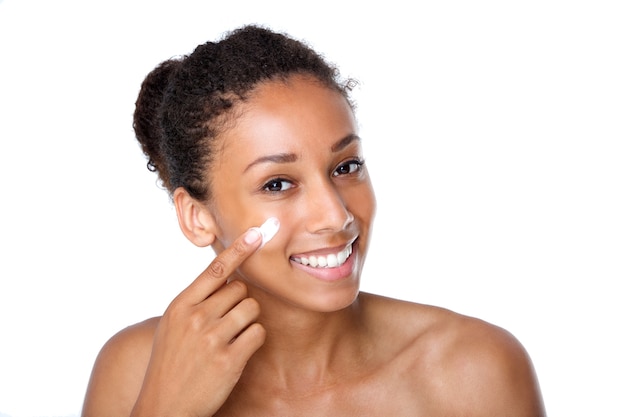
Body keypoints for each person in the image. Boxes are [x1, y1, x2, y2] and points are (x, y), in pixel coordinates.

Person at [82, 25, 546, 417]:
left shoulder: (473, 372)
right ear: (197, 216)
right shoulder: (137, 371)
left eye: (345, 168)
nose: (336, 215)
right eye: (278, 184)